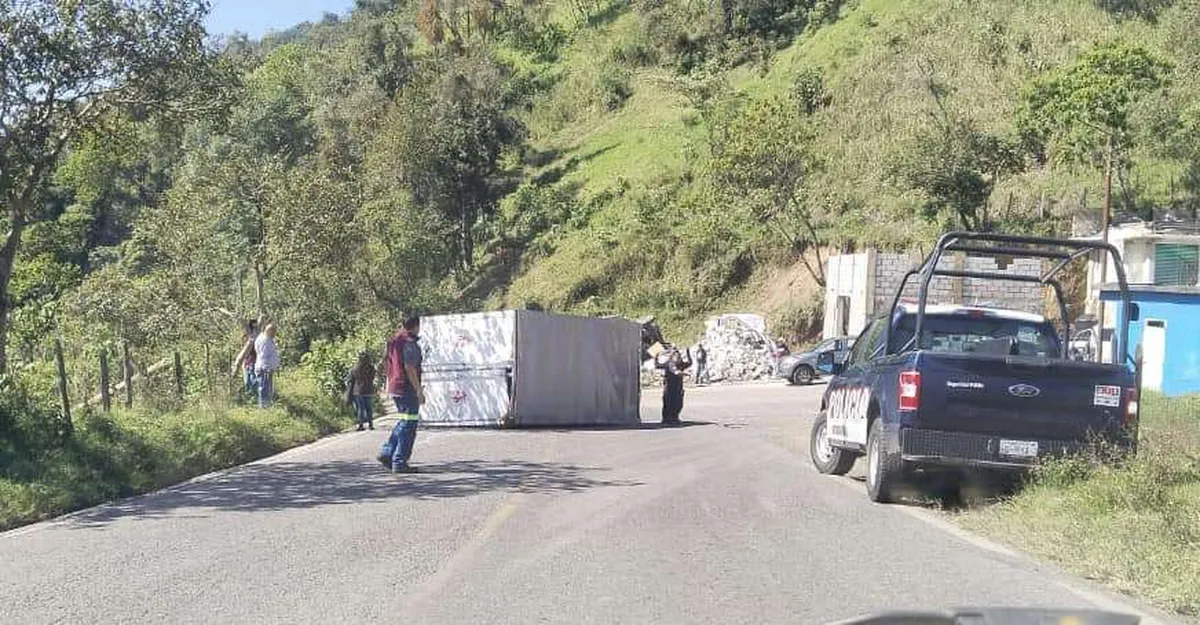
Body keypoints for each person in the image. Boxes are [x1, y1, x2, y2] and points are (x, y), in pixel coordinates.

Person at [377, 315, 425, 474]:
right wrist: (418, 390)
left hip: (395, 386)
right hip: (407, 388)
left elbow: (385, 361)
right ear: (416, 326)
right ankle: (399, 461)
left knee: (403, 421)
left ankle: (387, 452)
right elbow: (410, 368)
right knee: (409, 425)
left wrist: (388, 381)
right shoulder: (409, 343)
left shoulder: (393, 341)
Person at [347, 351, 377, 431]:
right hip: (369, 390)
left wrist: (349, 393)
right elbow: (373, 377)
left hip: (358, 391)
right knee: (369, 408)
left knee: (360, 409)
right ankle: (371, 425)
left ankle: (361, 425)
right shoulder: (371, 367)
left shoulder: (355, 368)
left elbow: (351, 380)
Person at [661, 347, 691, 426]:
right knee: (668, 404)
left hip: (678, 388)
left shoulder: (680, 364)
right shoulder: (670, 364)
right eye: (677, 356)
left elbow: (690, 363)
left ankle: (675, 417)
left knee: (678, 404)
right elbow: (676, 372)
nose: (679, 357)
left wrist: (688, 352)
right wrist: (685, 374)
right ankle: (666, 419)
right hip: (669, 389)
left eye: (679, 356)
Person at [254, 324, 280, 408]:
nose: (274, 334)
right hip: (264, 368)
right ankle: (264, 407)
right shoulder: (264, 341)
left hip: (267, 368)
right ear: (269, 331)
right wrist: (267, 368)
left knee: (267, 388)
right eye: (274, 332)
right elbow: (263, 355)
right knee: (264, 388)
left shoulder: (267, 339)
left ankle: (267, 405)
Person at [231, 319, 259, 397]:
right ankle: (249, 398)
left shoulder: (256, 337)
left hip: (253, 363)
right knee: (250, 383)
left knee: (253, 383)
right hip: (249, 363)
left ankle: (251, 398)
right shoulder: (250, 338)